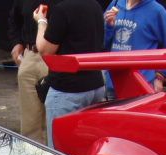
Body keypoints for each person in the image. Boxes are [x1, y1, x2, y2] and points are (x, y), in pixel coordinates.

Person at [33, 0, 106, 147]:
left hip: (67, 89)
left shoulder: (62, 9)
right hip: (95, 85)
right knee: (87, 148)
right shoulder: (95, 6)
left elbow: (45, 50)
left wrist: (41, 21)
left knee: (61, 154)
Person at [103, 0, 166, 91]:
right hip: (113, 84)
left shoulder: (156, 11)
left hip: (141, 85)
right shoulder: (116, 4)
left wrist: (160, 76)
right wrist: (109, 26)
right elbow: (103, 44)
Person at [8, 0, 50, 144]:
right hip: (30, 54)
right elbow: (14, 19)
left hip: (55, 54)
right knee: (29, 123)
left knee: (53, 117)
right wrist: (16, 42)